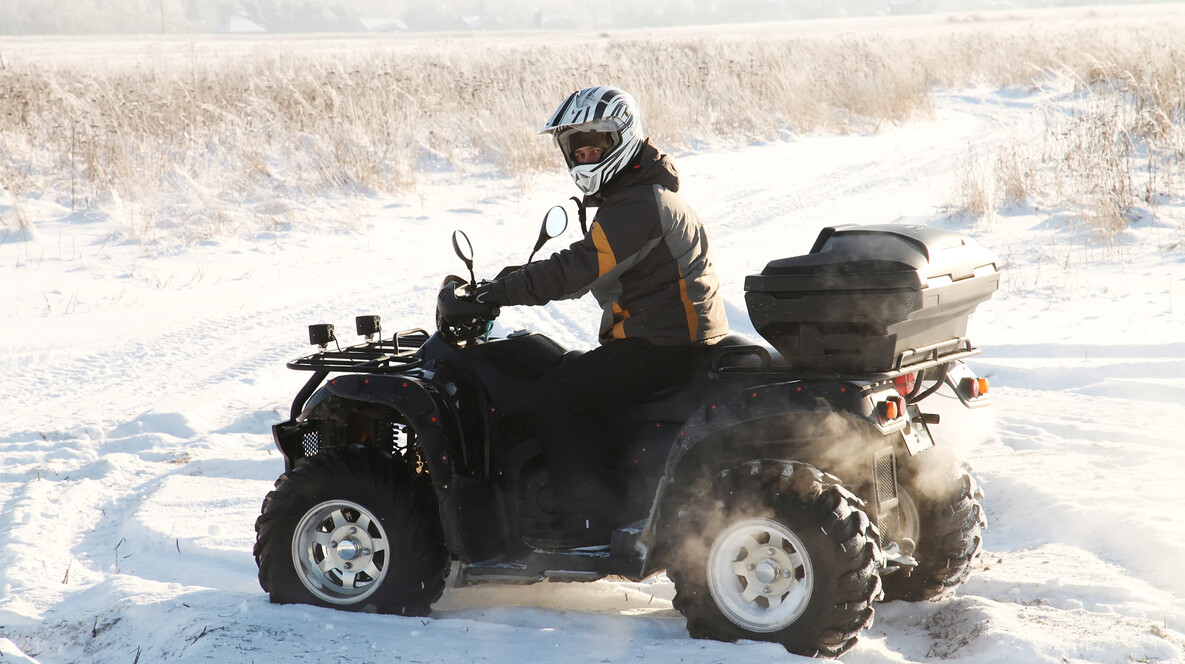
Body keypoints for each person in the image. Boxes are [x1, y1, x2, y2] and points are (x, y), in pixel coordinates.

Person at [474, 86, 729, 542]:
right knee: (575, 370)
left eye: (597, 146)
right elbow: (585, 267)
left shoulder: (638, 204)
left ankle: (588, 520)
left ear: (623, 139)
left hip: (665, 346)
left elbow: (576, 270)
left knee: (558, 392)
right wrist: (508, 282)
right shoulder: (641, 195)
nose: (587, 156)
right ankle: (622, 497)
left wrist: (498, 292)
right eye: (579, 150)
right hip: (676, 340)